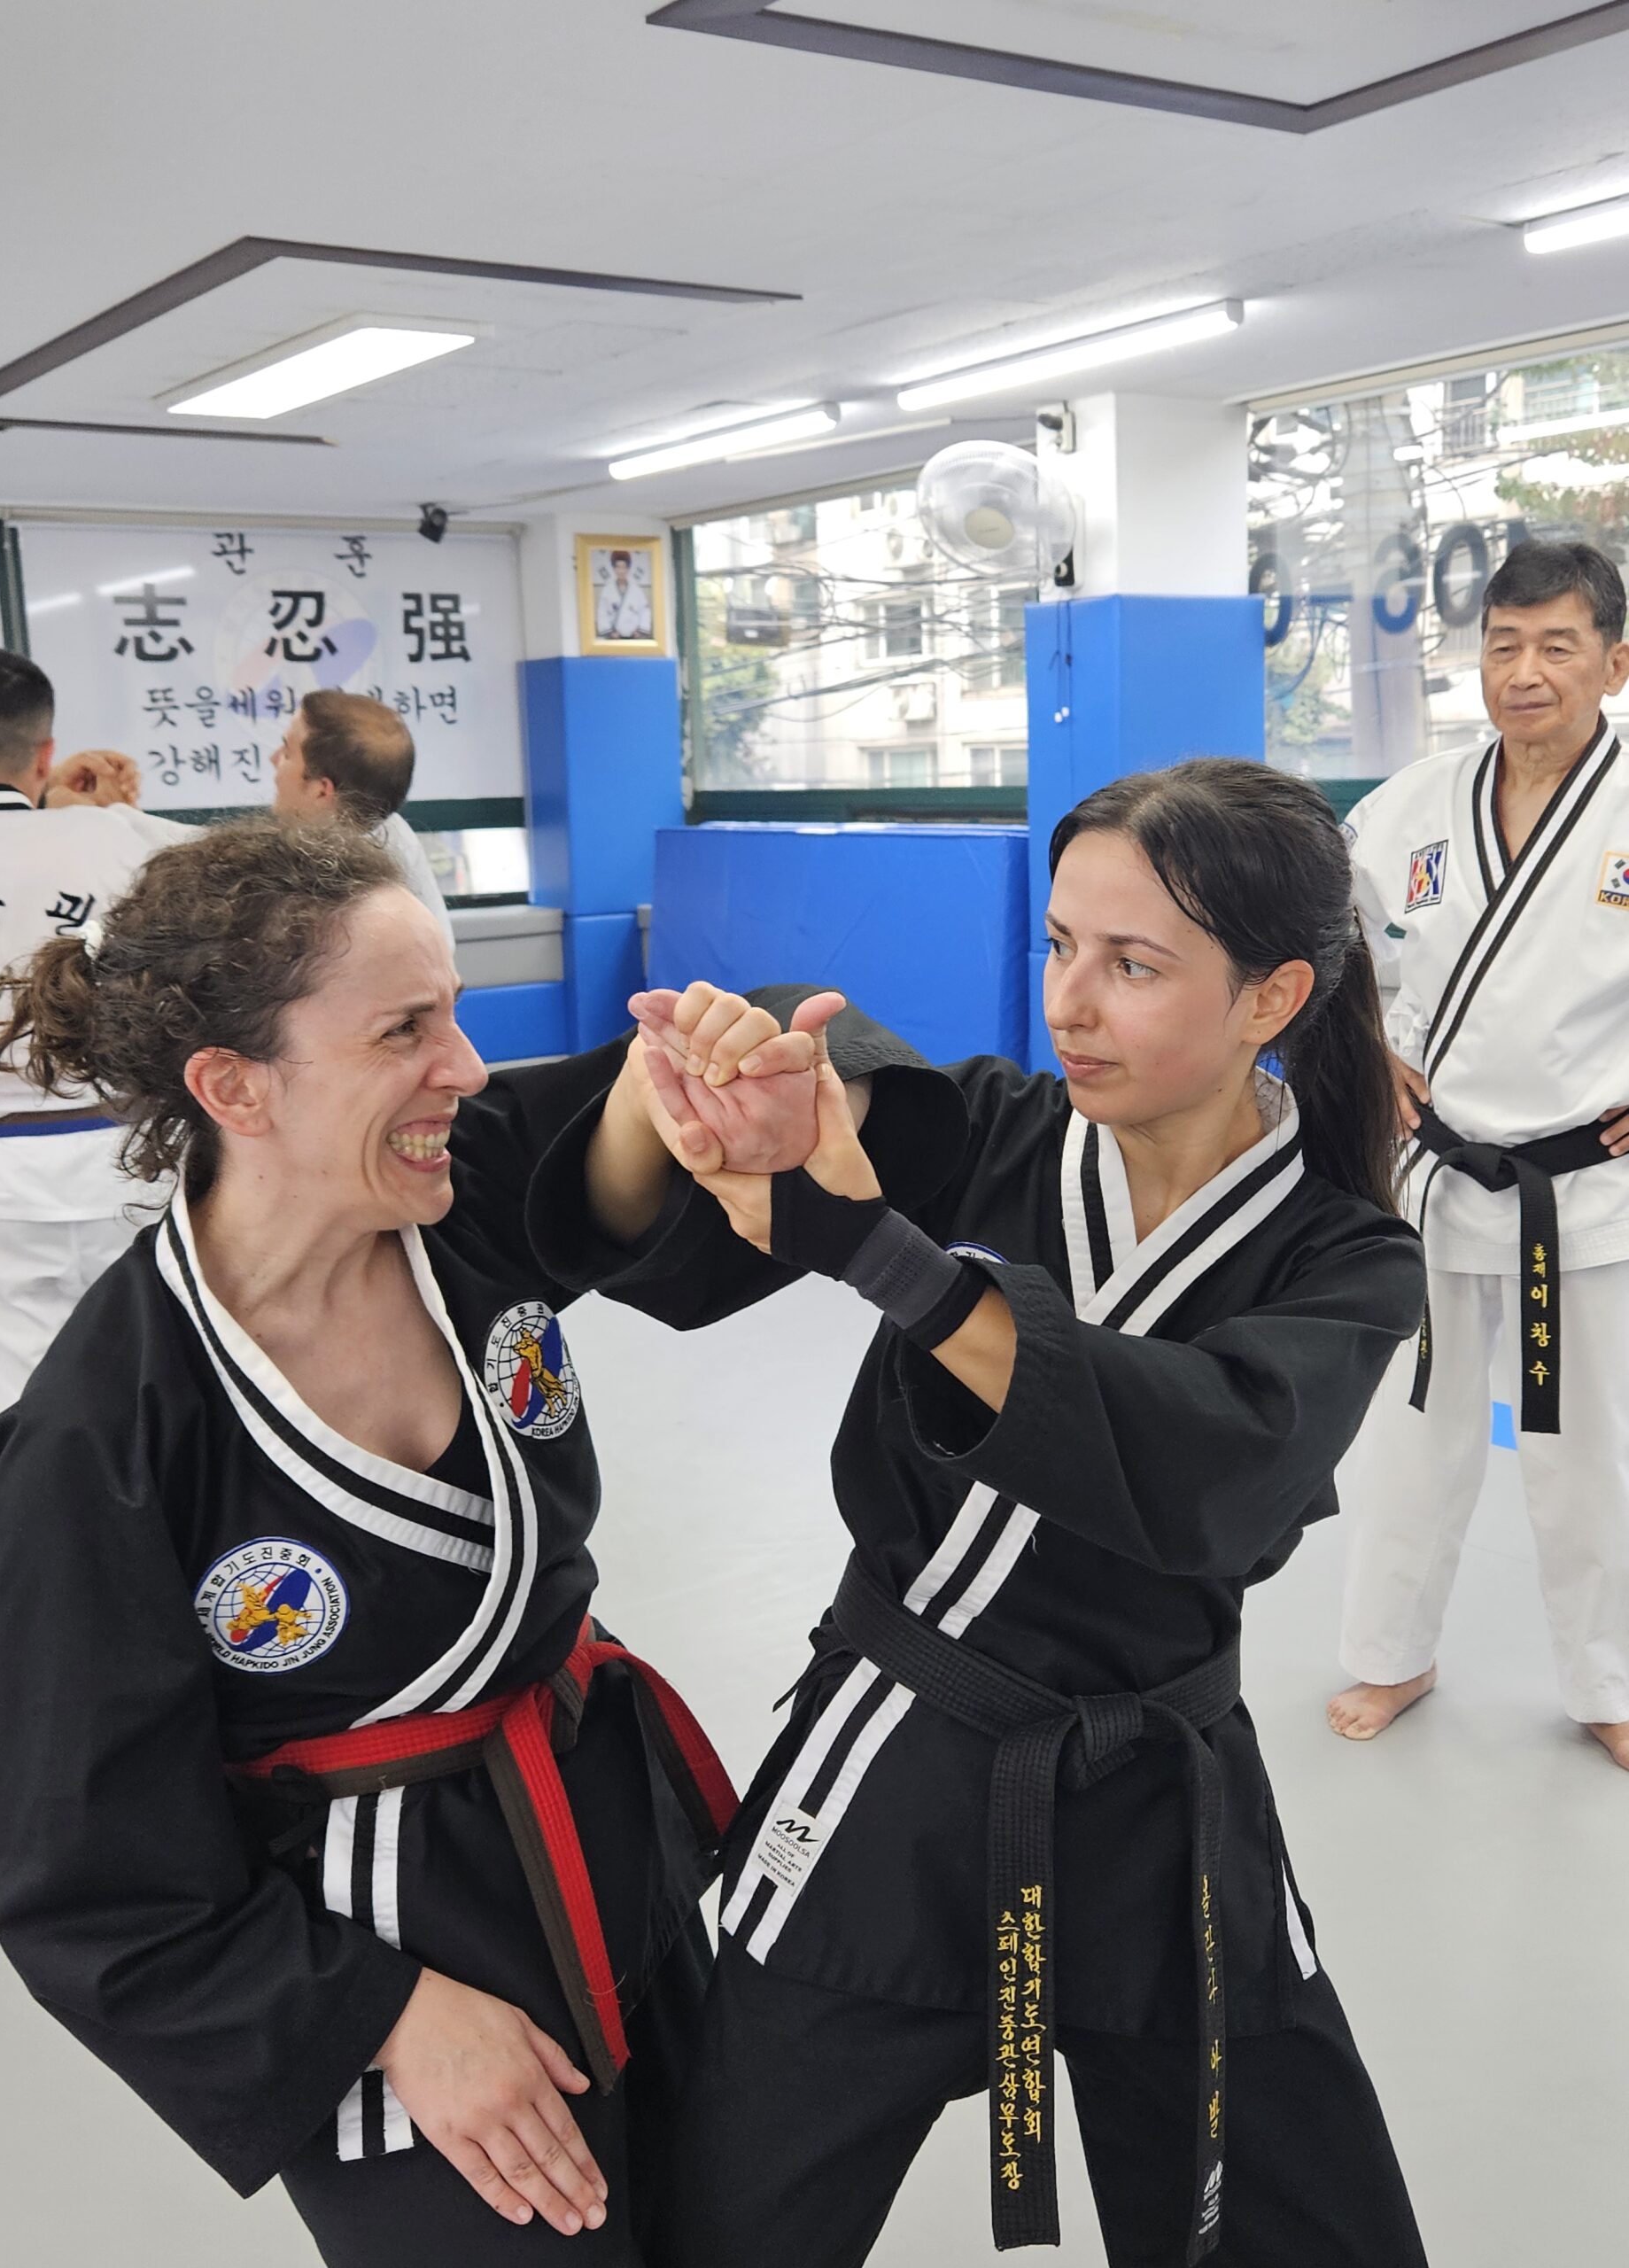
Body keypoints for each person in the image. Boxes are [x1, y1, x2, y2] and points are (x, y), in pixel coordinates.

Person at [0, 816, 932, 2264]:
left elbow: (627, 1134)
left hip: (613, 1847)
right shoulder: (101, 1442)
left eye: (457, 1013)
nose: (467, 1068)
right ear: (234, 1086)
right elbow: (94, 1886)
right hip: (384, 1963)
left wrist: (731, 1069)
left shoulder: (454, 1192)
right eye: (404, 1030)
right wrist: (390, 2019)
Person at [524, 759, 1431, 2268]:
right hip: (894, 1771)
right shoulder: (1002, 1135)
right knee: (732, 2215)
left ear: (1272, 998)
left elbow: (1214, 1467)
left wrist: (893, 1263)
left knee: (1302, 2226)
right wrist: (761, 1076)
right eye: (1061, 945)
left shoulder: (1345, 1258)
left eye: (1133, 965)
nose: (1070, 1002)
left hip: (1161, 1797)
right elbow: (841, 1093)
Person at [1330, 539, 1629, 1767]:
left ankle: (1609, 1683)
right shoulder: (1411, 804)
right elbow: (1332, 941)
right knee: (1414, 1433)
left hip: (1587, 1187)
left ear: (1616, 662)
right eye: (1504, 644)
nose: (1525, 671)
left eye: (1558, 645)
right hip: (1437, 1175)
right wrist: (1364, 1046)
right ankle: (1392, 1653)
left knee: (1592, 1453)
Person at [0, 649, 193, 1761]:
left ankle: (13, 1699)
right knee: (167, 1408)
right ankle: (208, 1666)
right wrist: (98, 810)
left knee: (13, 1429)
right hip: (134, 1164)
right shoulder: (124, 838)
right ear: (46, 749)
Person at [271, 688, 454, 946]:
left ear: (322, 790)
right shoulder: (393, 830)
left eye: (287, 753)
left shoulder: (327, 881)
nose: (273, 759)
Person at [593, 552, 653, 643]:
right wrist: (610, 632)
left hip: (634, 637)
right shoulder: (607, 590)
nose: (621, 571)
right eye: (618, 567)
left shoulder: (636, 590)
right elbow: (602, 613)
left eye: (624, 567)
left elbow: (645, 611)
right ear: (614, 569)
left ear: (628, 569)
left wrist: (640, 631)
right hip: (614, 637)